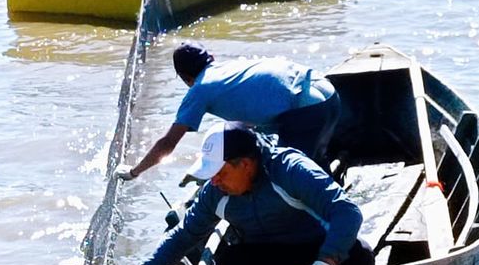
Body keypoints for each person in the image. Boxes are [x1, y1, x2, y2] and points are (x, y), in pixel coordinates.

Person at [90, 122, 374, 265]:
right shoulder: (214, 192)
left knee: (359, 254)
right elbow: (185, 235)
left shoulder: (289, 170)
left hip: (313, 252)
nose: (214, 181)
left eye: (221, 172)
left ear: (246, 164)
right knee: (231, 262)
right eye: (211, 173)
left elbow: (347, 212)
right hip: (265, 258)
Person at [116, 43, 341, 180]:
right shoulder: (229, 69)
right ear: (210, 58)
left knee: (289, 175)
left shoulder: (199, 89)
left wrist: (135, 171)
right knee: (314, 163)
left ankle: (321, 232)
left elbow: (168, 143)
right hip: (328, 92)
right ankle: (333, 206)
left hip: (306, 110)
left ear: (185, 78)